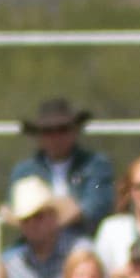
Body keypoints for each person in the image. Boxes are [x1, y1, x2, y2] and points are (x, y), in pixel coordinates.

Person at [10, 97, 114, 244]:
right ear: (38, 136)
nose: (55, 137)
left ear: (75, 131)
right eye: (48, 131)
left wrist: (47, 217)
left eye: (62, 129)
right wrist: (64, 209)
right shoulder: (24, 170)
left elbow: (96, 206)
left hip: (84, 240)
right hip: (35, 246)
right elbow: (14, 212)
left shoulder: (95, 164)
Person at [0, 178, 70, 278]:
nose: (32, 224)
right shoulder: (9, 265)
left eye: (38, 216)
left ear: (54, 217)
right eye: (25, 220)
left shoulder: (75, 259)